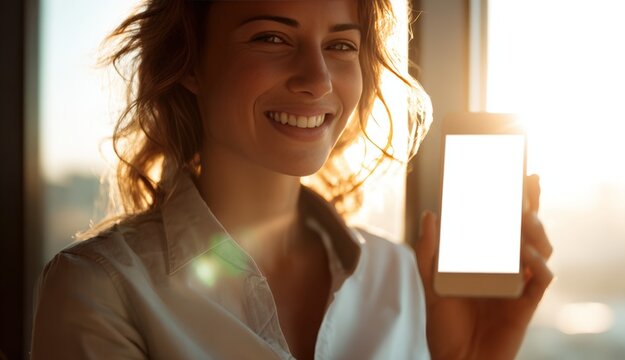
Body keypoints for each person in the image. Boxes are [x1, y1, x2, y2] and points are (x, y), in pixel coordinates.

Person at [30, 0, 554, 359]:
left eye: (342, 46)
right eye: (272, 37)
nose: (317, 78)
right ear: (190, 62)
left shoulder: (406, 278)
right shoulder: (101, 288)